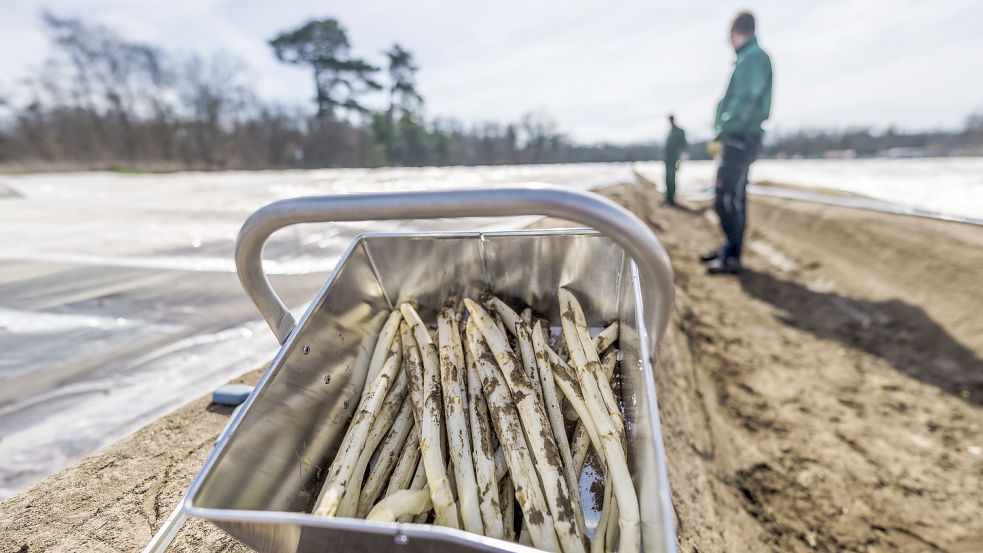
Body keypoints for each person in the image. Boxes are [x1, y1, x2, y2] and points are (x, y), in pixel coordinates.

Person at [702, 11, 773, 275]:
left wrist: (724, 131)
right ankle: (729, 249)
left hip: (739, 138)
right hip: (739, 136)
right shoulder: (748, 58)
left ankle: (732, 256)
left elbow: (744, 100)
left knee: (725, 197)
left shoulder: (752, 58)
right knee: (734, 197)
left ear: (737, 32)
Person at [663, 114, 687, 205]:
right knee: (667, 178)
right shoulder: (670, 132)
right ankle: (668, 197)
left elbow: (683, 144)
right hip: (668, 159)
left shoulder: (679, 131)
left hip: (674, 158)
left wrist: (682, 156)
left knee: (671, 177)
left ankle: (671, 199)